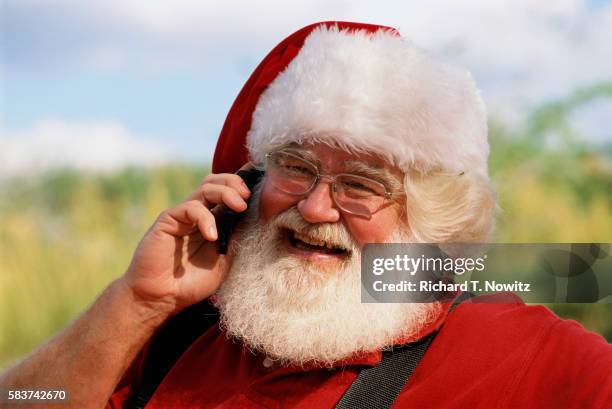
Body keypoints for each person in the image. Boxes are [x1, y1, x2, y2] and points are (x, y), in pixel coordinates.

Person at [1, 21, 611, 409]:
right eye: (295, 166)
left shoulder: (526, 353)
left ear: (432, 220)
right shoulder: (176, 333)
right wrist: (137, 302)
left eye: (362, 186)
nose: (316, 208)